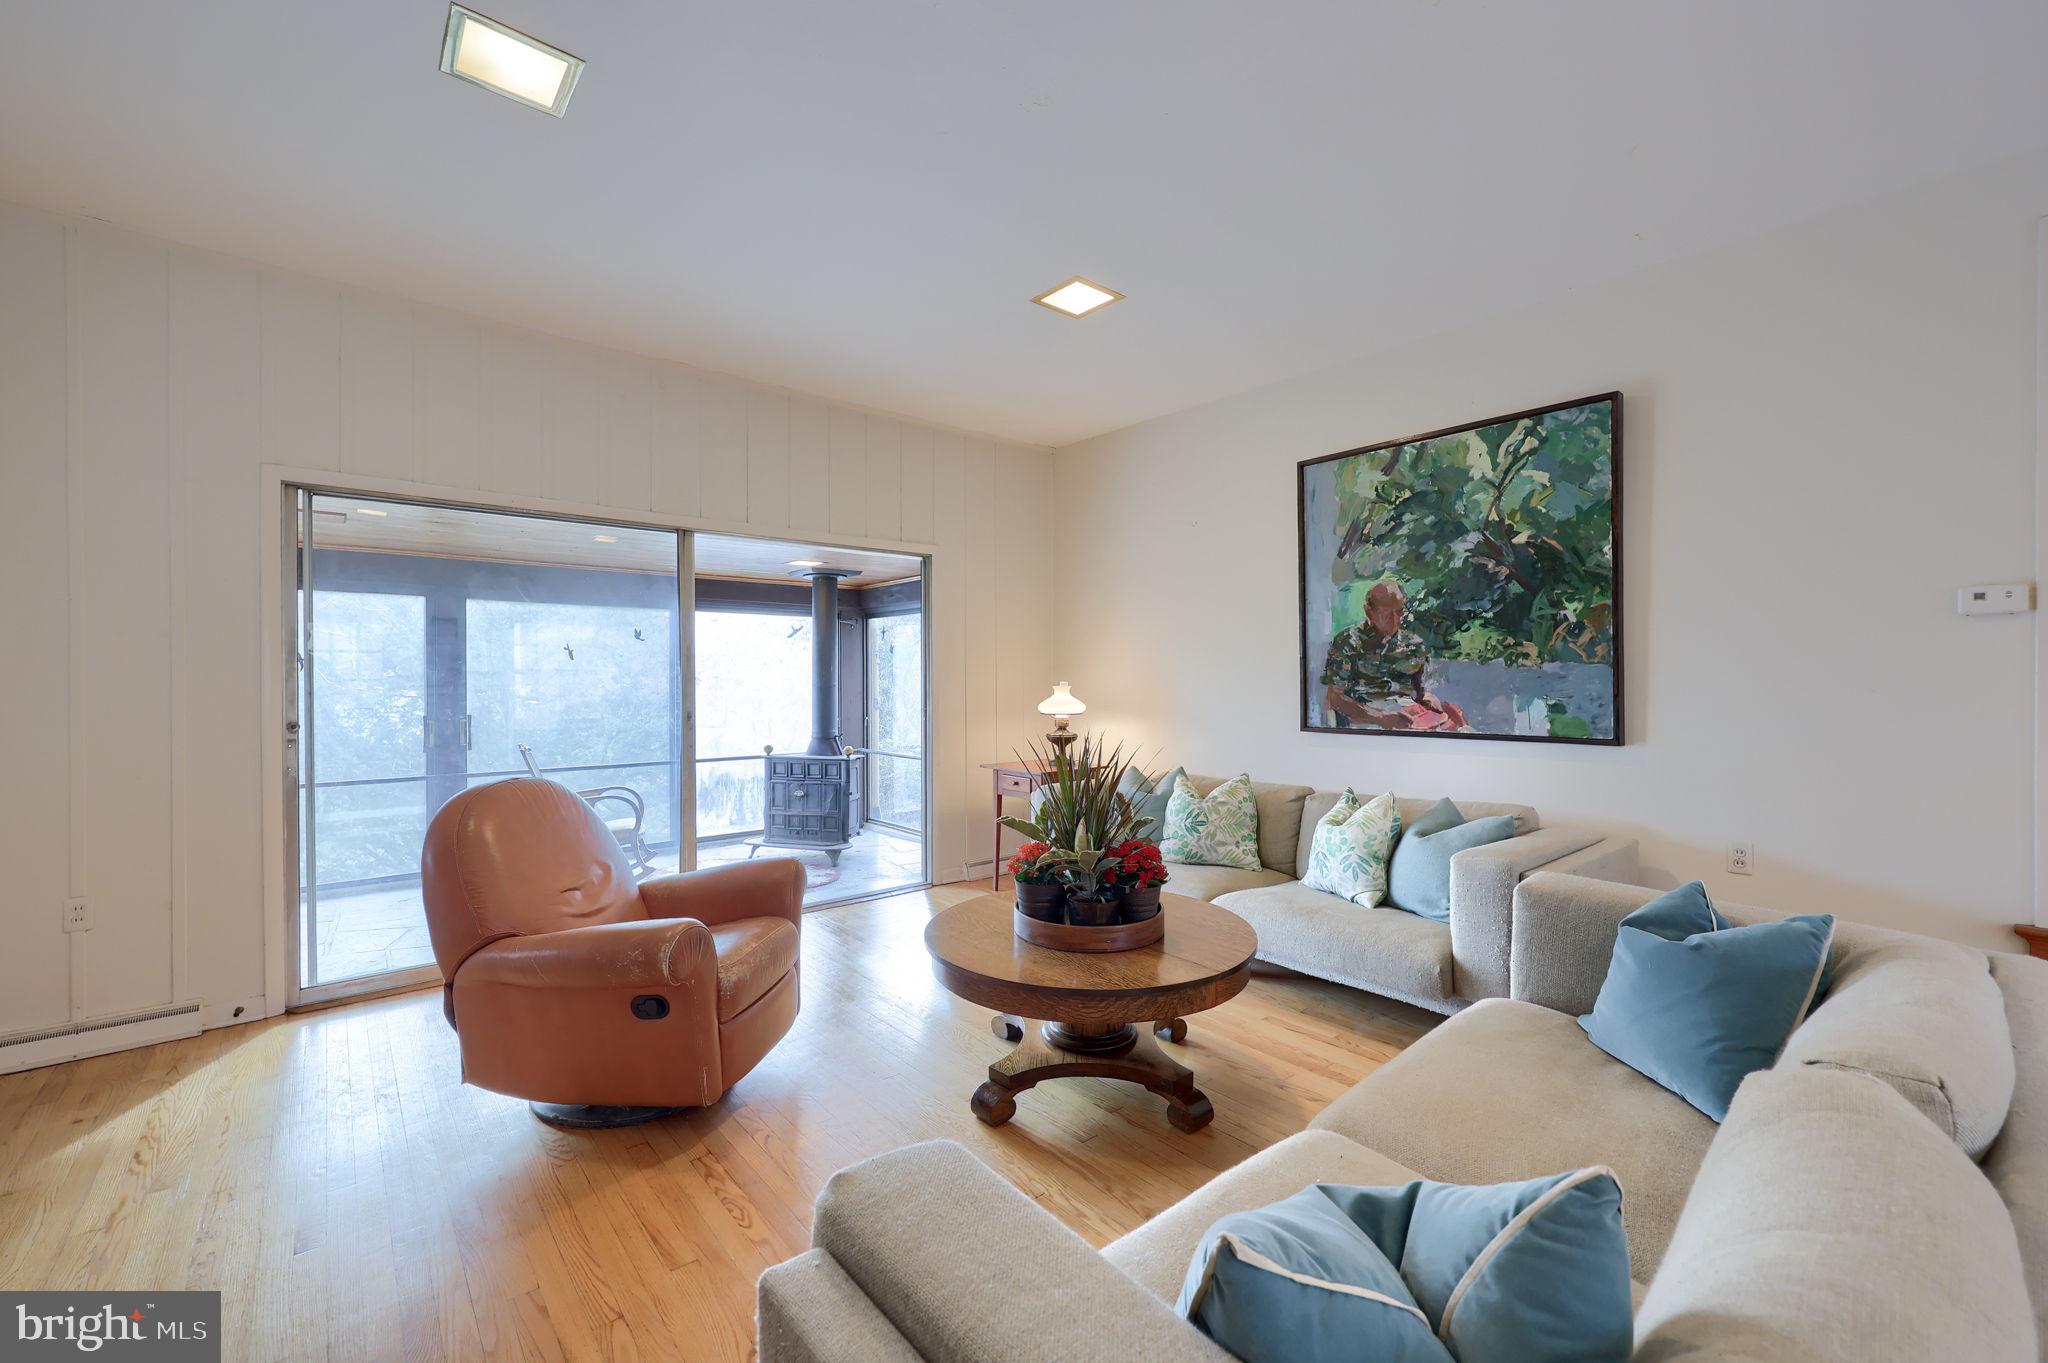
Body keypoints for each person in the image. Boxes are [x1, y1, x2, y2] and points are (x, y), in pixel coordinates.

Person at [1320, 581, 1467, 731]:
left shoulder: (1413, 644)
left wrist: (1429, 699)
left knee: (1456, 722)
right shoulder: (1348, 641)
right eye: (1387, 613)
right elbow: (1334, 698)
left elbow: (1419, 692)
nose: (1395, 620)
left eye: (1399, 612)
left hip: (1406, 715)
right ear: (1369, 612)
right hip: (1364, 718)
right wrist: (1380, 718)